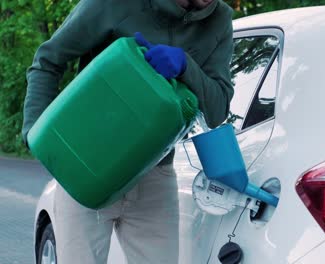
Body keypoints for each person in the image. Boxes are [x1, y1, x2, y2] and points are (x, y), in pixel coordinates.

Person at [22, 0, 234, 263]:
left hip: (154, 173)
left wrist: (185, 66)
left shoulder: (220, 20)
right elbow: (48, 60)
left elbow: (218, 109)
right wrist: (36, 132)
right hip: (88, 165)